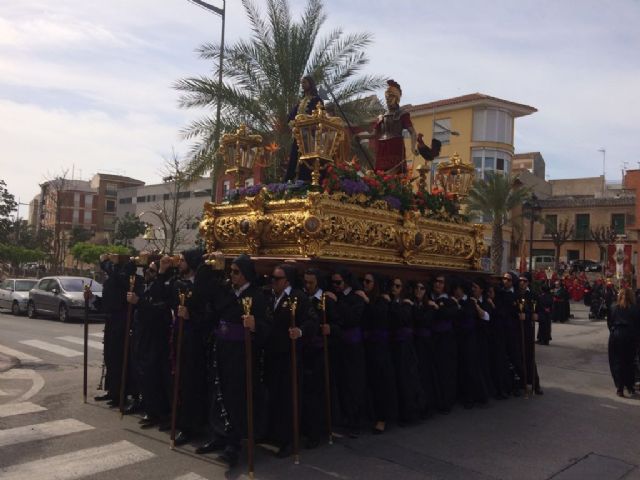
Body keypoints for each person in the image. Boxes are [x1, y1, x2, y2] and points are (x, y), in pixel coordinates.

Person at [195, 254, 270, 467]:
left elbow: (268, 328)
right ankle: (218, 434)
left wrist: (254, 325)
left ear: (246, 274)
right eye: (231, 271)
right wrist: (208, 264)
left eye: (236, 272)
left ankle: (233, 443)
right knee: (218, 391)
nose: (232, 275)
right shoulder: (226, 292)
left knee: (237, 397)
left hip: (242, 353)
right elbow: (202, 288)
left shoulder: (257, 296)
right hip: (222, 349)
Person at [264, 264, 317, 458]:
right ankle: (274, 432)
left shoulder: (298, 297)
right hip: (272, 354)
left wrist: (300, 331)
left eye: (277, 279)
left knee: (288, 398)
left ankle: (288, 439)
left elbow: (312, 321)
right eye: (272, 278)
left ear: (286, 280)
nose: (273, 281)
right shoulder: (271, 296)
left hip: (289, 355)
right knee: (275, 395)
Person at [326, 268, 366, 437]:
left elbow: (352, 319)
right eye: (333, 283)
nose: (335, 286)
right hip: (339, 346)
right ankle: (342, 419)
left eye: (338, 283)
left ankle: (354, 422)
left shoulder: (356, 297)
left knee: (353, 384)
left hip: (353, 348)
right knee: (341, 383)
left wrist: (337, 303)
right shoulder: (336, 296)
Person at [360, 272, 396, 434]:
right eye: (364, 281)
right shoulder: (367, 299)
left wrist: (367, 301)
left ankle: (382, 418)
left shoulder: (382, 300)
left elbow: (380, 317)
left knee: (381, 383)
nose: (365, 284)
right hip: (367, 346)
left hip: (380, 348)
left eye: (368, 281)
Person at [387, 277, 424, 423]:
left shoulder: (406, 304)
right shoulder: (390, 302)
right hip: (394, 345)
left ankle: (411, 412)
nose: (394, 288)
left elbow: (403, 319)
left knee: (407, 379)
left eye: (397, 286)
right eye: (392, 285)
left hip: (405, 347)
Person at [371, 79, 418, 173]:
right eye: (387, 97)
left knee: (393, 173)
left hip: (395, 146)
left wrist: (413, 147)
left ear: (396, 98)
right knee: (380, 174)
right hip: (382, 148)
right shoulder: (381, 117)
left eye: (391, 96)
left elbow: (412, 132)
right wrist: (359, 137)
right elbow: (374, 134)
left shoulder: (402, 114)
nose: (388, 99)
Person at [284, 76, 324, 182]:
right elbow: (291, 117)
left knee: (308, 157)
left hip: (310, 135)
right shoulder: (300, 101)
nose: (302, 85)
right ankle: (291, 180)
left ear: (310, 83)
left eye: (304, 82)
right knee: (294, 157)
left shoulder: (317, 100)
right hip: (298, 135)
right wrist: (294, 123)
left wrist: (306, 122)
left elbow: (320, 116)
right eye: (301, 83)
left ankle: (305, 180)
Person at [607, 287, 640, 397]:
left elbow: (610, 323)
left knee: (617, 362)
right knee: (630, 362)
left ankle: (620, 388)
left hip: (616, 335)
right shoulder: (635, 309)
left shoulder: (613, 307)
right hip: (630, 336)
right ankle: (630, 386)